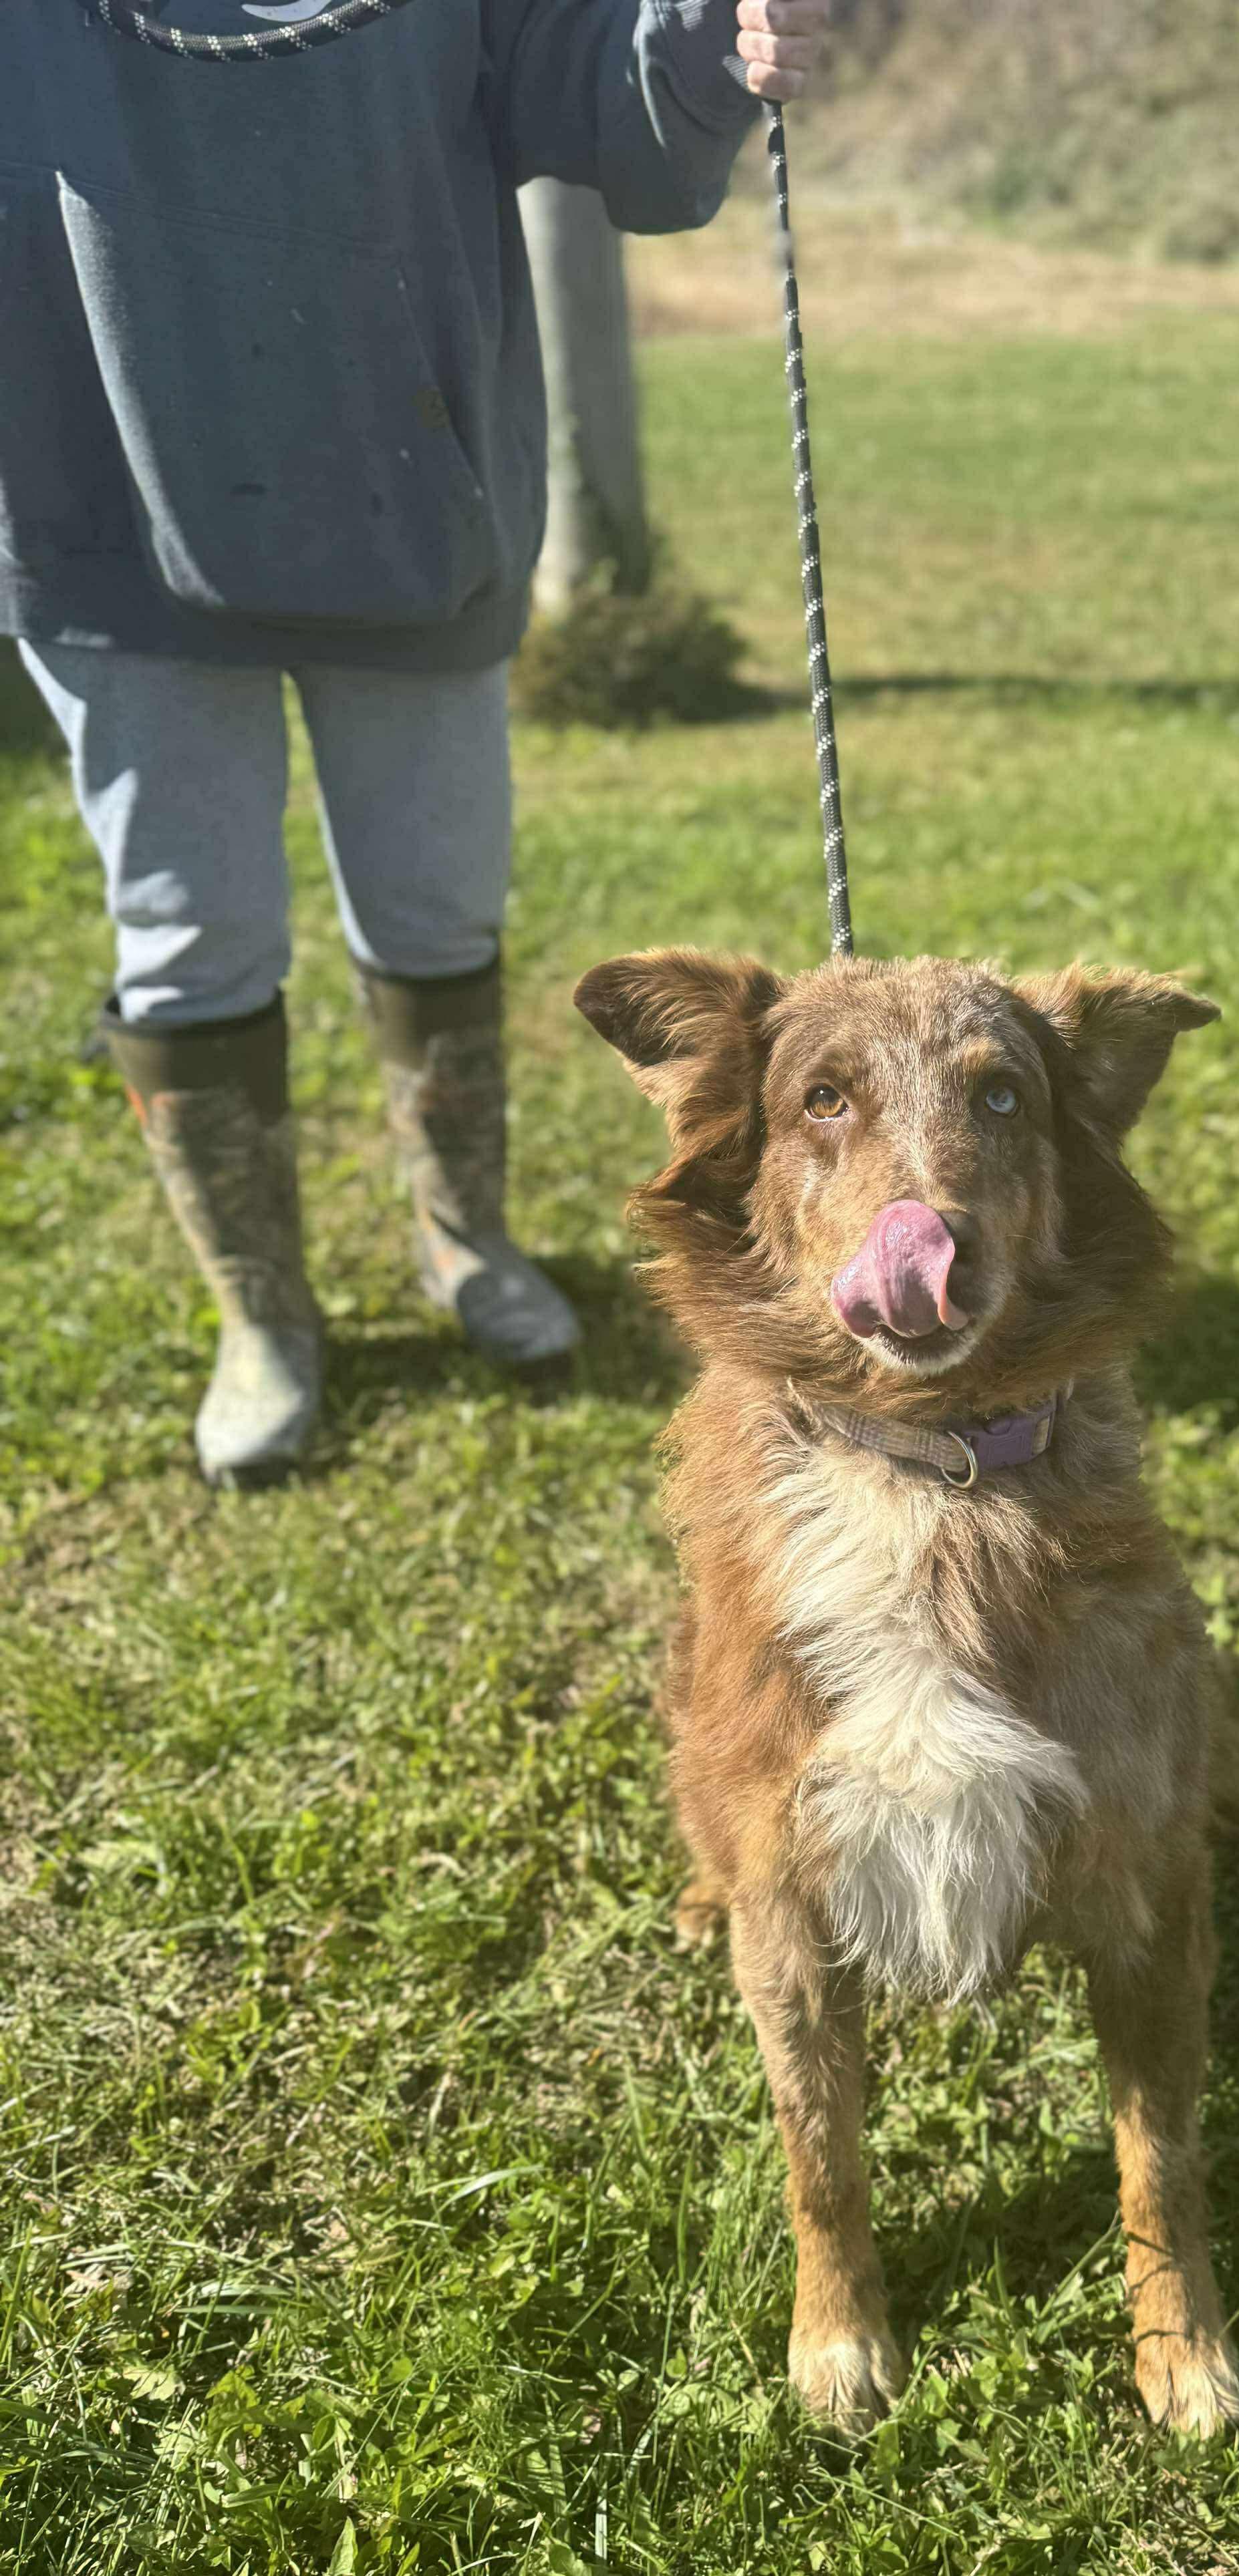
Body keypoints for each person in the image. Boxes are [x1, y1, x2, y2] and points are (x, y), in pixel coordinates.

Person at [3, 0, 827, 1485]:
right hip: (99, 499)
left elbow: (627, 128)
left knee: (436, 908)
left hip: (412, 499)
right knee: (187, 938)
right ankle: (263, 1321)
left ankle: (467, 1242)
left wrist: (722, 36)